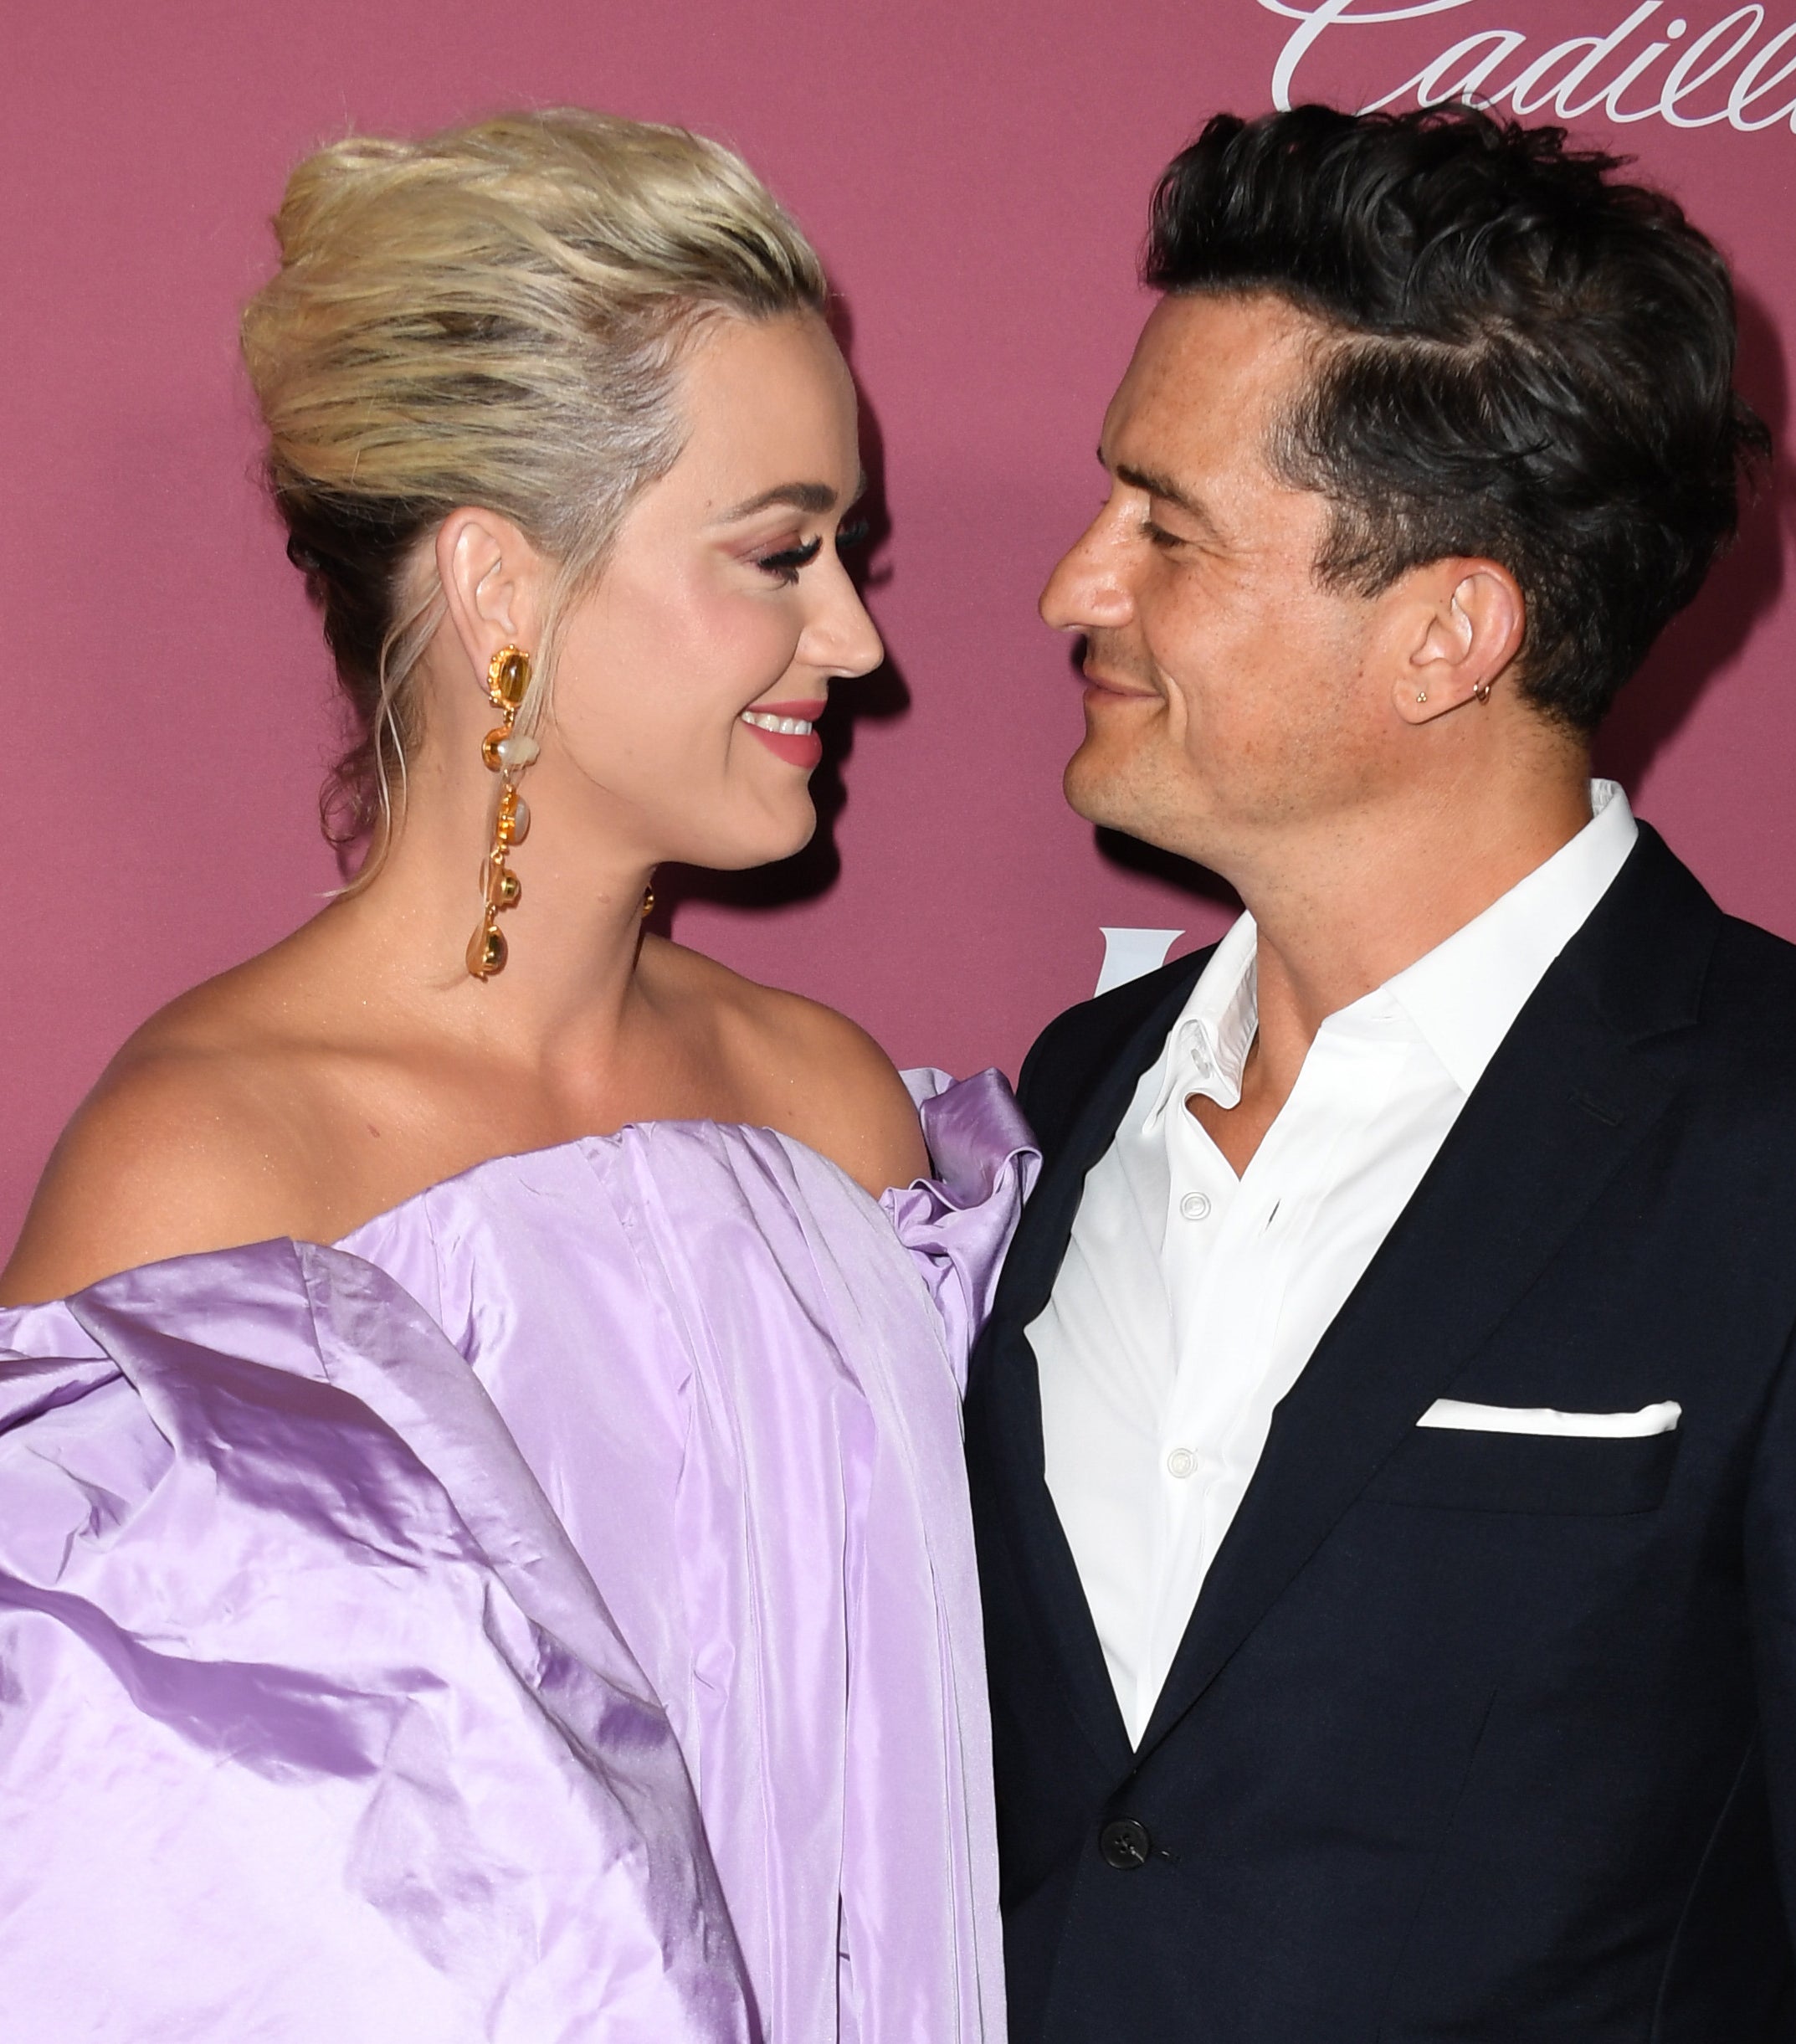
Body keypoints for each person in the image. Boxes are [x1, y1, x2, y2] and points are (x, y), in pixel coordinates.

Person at [0, 110, 1029, 2044]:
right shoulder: (214, 1174)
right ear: (500, 588)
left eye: (846, 553)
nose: (857, 636)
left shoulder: (832, 1114)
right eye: (779, 550)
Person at [965, 103, 1794, 2041]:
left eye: (1165, 528)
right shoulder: (1074, 1093)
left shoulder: (1765, 1148)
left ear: (1444, 635)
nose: (1073, 588)